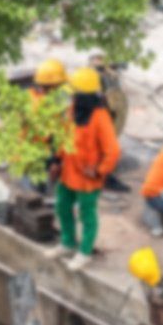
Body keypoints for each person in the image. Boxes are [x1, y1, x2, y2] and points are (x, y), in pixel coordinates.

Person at [55, 66, 120, 270]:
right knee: (62, 206)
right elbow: (63, 137)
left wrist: (100, 170)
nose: (72, 96)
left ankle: (85, 252)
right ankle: (67, 242)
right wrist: (56, 160)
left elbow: (113, 151)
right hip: (68, 172)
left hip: (88, 178)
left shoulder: (101, 118)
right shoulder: (71, 111)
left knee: (87, 215)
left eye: (75, 93)